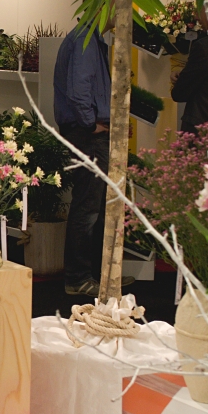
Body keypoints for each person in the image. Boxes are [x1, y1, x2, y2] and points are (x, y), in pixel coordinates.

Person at [54, 24, 134, 298]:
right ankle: (79, 278)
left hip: (91, 132)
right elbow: (79, 91)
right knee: (88, 206)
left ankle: (97, 276)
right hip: (88, 134)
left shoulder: (88, 38)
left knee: (95, 205)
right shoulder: (85, 39)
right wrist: (90, 124)